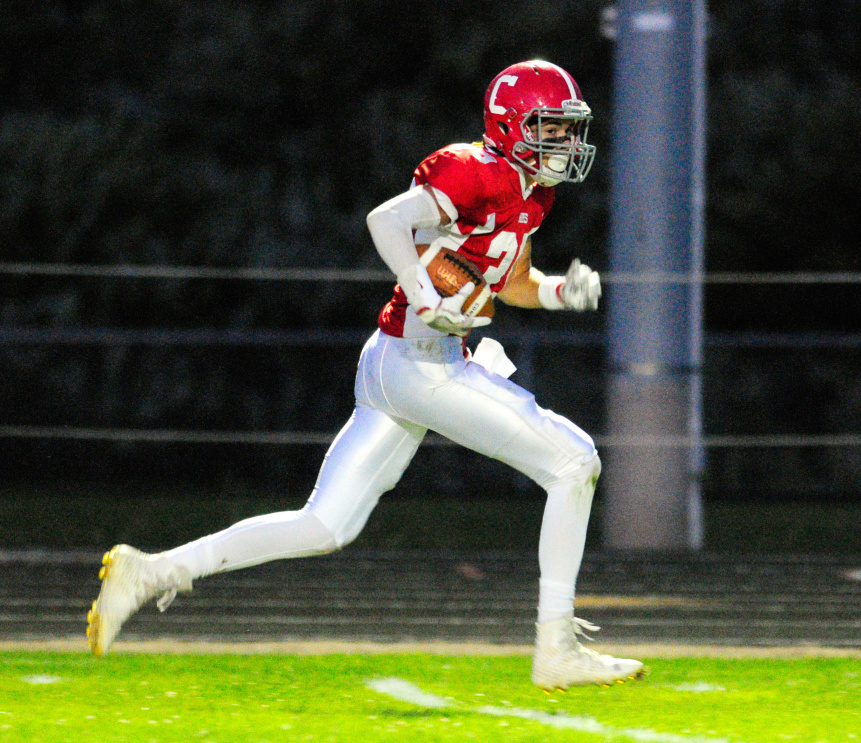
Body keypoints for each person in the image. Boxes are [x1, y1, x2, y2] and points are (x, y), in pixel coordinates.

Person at [86, 59, 644, 690]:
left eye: (570, 130)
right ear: (513, 126)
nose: (568, 144)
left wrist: (558, 294)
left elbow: (512, 283)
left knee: (324, 525)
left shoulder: (531, 195)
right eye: (553, 128)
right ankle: (556, 647)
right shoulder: (475, 172)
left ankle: (152, 572)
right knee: (575, 462)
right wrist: (422, 293)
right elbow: (385, 220)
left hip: (399, 361)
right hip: (417, 364)